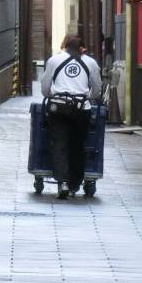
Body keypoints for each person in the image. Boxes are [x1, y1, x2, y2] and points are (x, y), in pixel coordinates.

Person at [40, 35, 101, 198]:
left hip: (59, 108)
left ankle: (63, 183)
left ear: (65, 47)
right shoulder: (91, 63)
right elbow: (97, 89)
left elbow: (45, 89)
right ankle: (74, 184)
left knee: (59, 144)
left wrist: (55, 93)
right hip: (82, 109)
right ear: (82, 49)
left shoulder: (54, 61)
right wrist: (87, 96)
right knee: (77, 145)